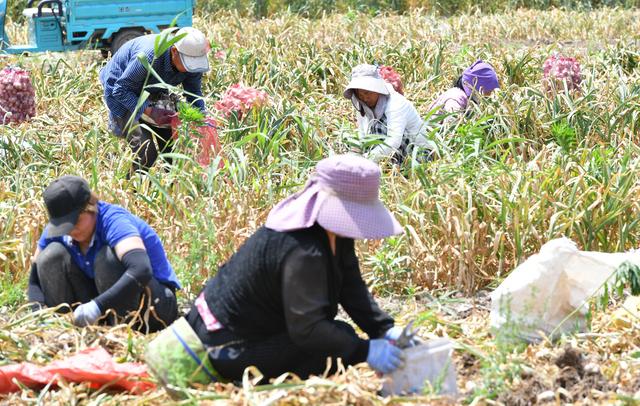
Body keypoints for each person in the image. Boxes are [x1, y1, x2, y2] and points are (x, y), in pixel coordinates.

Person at [183, 155, 410, 381]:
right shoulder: (304, 250)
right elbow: (308, 329)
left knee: (341, 337)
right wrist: (365, 351)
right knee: (334, 348)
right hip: (224, 345)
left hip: (241, 333)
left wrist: (383, 328)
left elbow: (351, 286)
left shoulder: (333, 233)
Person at [27, 175, 180, 333]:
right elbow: (34, 278)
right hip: (104, 303)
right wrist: (38, 315)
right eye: (63, 226)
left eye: (74, 223)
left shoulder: (114, 222)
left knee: (107, 258)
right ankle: (64, 330)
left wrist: (96, 306)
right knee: (51, 255)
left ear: (90, 207)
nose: (70, 231)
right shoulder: (61, 230)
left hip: (156, 306)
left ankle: (122, 332)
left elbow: (141, 269)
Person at [99, 27, 211, 173]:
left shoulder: (193, 64)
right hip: (120, 89)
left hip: (152, 88)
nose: (191, 69)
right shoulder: (149, 57)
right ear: (174, 51)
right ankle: (130, 187)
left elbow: (193, 92)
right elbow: (121, 90)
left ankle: (171, 187)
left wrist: (202, 116)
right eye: (188, 63)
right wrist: (149, 111)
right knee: (146, 151)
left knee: (171, 147)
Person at [344, 64, 436, 165]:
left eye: (367, 93)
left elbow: (394, 140)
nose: (365, 99)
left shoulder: (395, 103)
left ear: (376, 88)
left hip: (417, 154)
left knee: (380, 126)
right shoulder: (362, 104)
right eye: (360, 95)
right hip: (388, 153)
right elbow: (363, 134)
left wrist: (366, 160)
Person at [428, 59, 499, 117]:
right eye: (488, 91)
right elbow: (451, 127)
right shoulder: (456, 99)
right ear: (476, 88)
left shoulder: (467, 100)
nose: (489, 96)